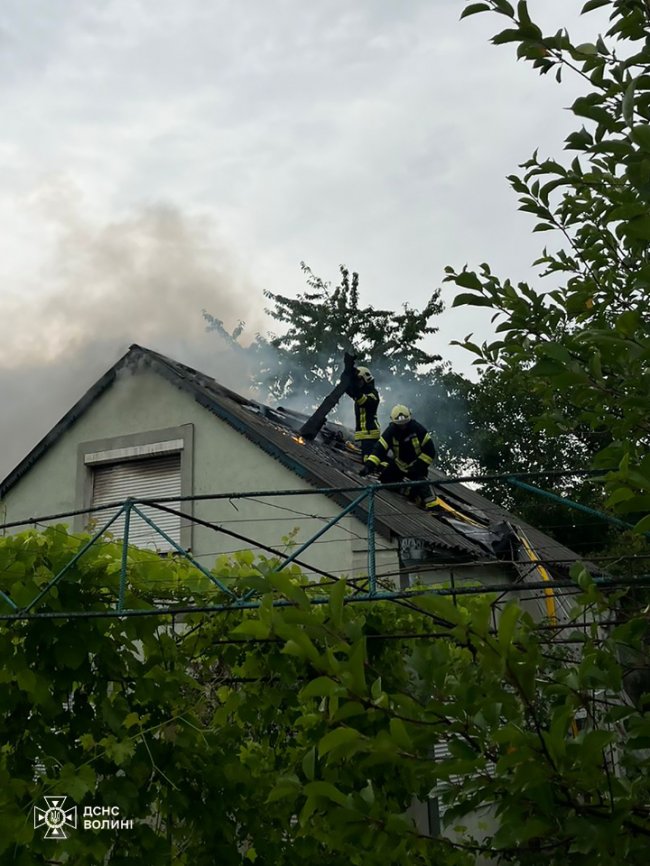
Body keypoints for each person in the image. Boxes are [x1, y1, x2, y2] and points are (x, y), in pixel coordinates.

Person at [359, 404, 437, 508]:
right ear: (393, 422)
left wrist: (418, 466)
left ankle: (431, 504)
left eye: (405, 424)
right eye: (400, 425)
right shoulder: (390, 432)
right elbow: (379, 450)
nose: (403, 427)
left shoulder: (418, 430)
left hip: (416, 466)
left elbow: (430, 451)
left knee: (421, 484)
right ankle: (406, 490)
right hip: (399, 464)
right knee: (385, 480)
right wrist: (369, 466)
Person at [344, 365, 380, 461]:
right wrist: (347, 379)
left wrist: (353, 388)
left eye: (360, 381)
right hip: (364, 434)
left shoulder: (373, 394)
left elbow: (362, 401)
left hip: (370, 434)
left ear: (366, 380)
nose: (358, 383)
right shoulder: (360, 393)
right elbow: (351, 391)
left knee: (368, 459)